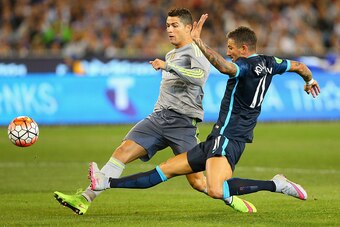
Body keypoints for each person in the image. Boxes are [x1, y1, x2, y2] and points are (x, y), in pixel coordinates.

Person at [88, 14, 321, 210]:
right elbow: (300, 66)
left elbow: (223, 66)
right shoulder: (272, 62)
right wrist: (309, 81)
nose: (229, 52)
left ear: (244, 48)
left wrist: (199, 42)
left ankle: (276, 184)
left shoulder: (243, 66)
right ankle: (105, 182)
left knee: (215, 189)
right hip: (216, 138)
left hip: (229, 138)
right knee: (166, 170)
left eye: (231, 48)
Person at [54, 9, 255, 215]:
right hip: (159, 118)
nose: (169, 29)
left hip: (183, 124)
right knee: (122, 152)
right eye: (167, 25)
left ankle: (230, 197)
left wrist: (169, 67)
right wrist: (168, 65)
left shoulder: (196, 51)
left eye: (175, 25)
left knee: (197, 181)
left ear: (188, 28)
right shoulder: (172, 53)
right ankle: (84, 199)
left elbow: (198, 76)